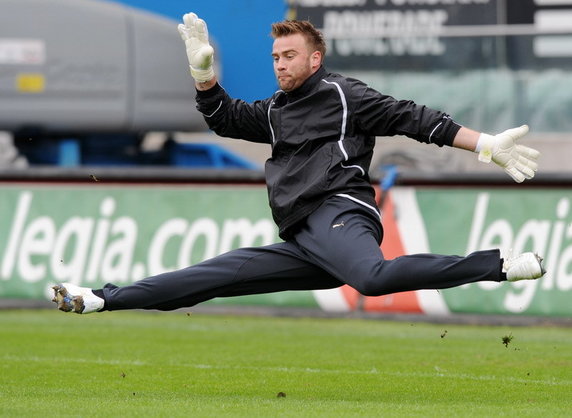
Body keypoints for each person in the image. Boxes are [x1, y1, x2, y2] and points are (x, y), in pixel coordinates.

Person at [52, 13, 545, 314]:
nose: (280, 63)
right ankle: (101, 298)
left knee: (373, 279)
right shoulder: (277, 110)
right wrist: (203, 76)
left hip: (339, 212)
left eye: (290, 55)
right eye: (275, 57)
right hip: (305, 236)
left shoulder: (344, 94)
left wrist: (484, 145)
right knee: (209, 278)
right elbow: (226, 118)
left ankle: (497, 265)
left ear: (315, 60)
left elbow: (413, 118)